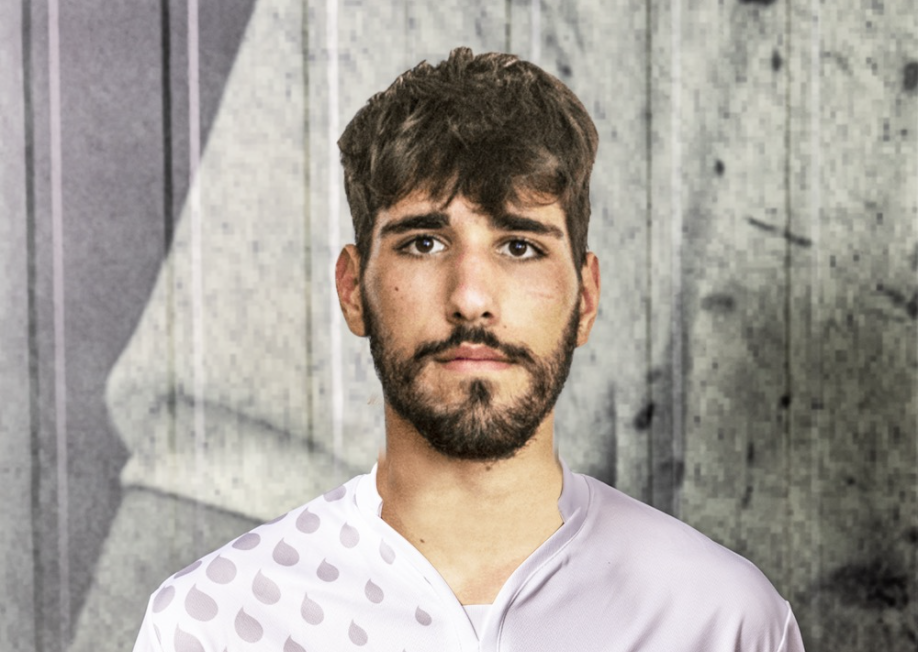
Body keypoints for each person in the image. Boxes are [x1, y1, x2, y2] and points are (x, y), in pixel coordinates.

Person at [131, 47, 805, 652]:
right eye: (424, 242)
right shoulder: (213, 623)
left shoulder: (721, 620)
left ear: (586, 298)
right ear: (353, 289)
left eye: (520, 246)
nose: (471, 298)